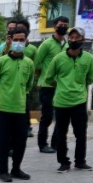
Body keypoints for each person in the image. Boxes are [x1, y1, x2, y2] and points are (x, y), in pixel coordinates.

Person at [43, 27, 93, 172]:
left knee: (80, 133)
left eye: (76, 37)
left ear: (82, 40)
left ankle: (80, 161)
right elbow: (48, 78)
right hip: (61, 101)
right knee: (61, 134)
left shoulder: (89, 59)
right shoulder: (58, 58)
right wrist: (60, 85)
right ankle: (63, 162)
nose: (73, 40)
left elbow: (90, 79)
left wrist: (78, 88)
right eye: (70, 37)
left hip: (79, 101)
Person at [0, 26, 35, 182]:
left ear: (26, 41)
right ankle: (2, 171)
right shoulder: (1, 61)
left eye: (22, 40)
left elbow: (29, 85)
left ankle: (16, 169)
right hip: (3, 106)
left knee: (21, 140)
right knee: (3, 140)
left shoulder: (29, 63)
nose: (19, 43)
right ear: (10, 41)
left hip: (20, 107)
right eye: (16, 40)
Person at [34, 16, 70, 153]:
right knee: (47, 116)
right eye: (61, 24)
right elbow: (37, 63)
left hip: (61, 87)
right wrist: (44, 78)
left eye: (66, 25)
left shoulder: (67, 45)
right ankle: (42, 144)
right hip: (47, 86)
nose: (63, 27)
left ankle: (56, 143)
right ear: (54, 26)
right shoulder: (47, 44)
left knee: (61, 117)